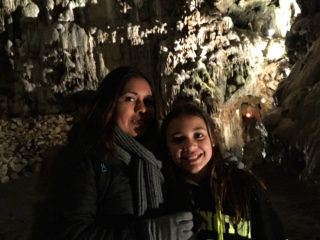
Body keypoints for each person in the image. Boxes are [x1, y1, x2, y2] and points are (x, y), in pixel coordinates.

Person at [29, 66, 193, 240]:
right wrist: (146, 233)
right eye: (130, 99)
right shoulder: (86, 160)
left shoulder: (160, 156)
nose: (142, 108)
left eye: (148, 101)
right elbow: (69, 232)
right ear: (109, 104)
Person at [161, 102, 287, 240]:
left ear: (212, 139)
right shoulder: (163, 194)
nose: (190, 146)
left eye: (198, 135)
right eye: (178, 139)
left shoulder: (245, 186)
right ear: (167, 148)